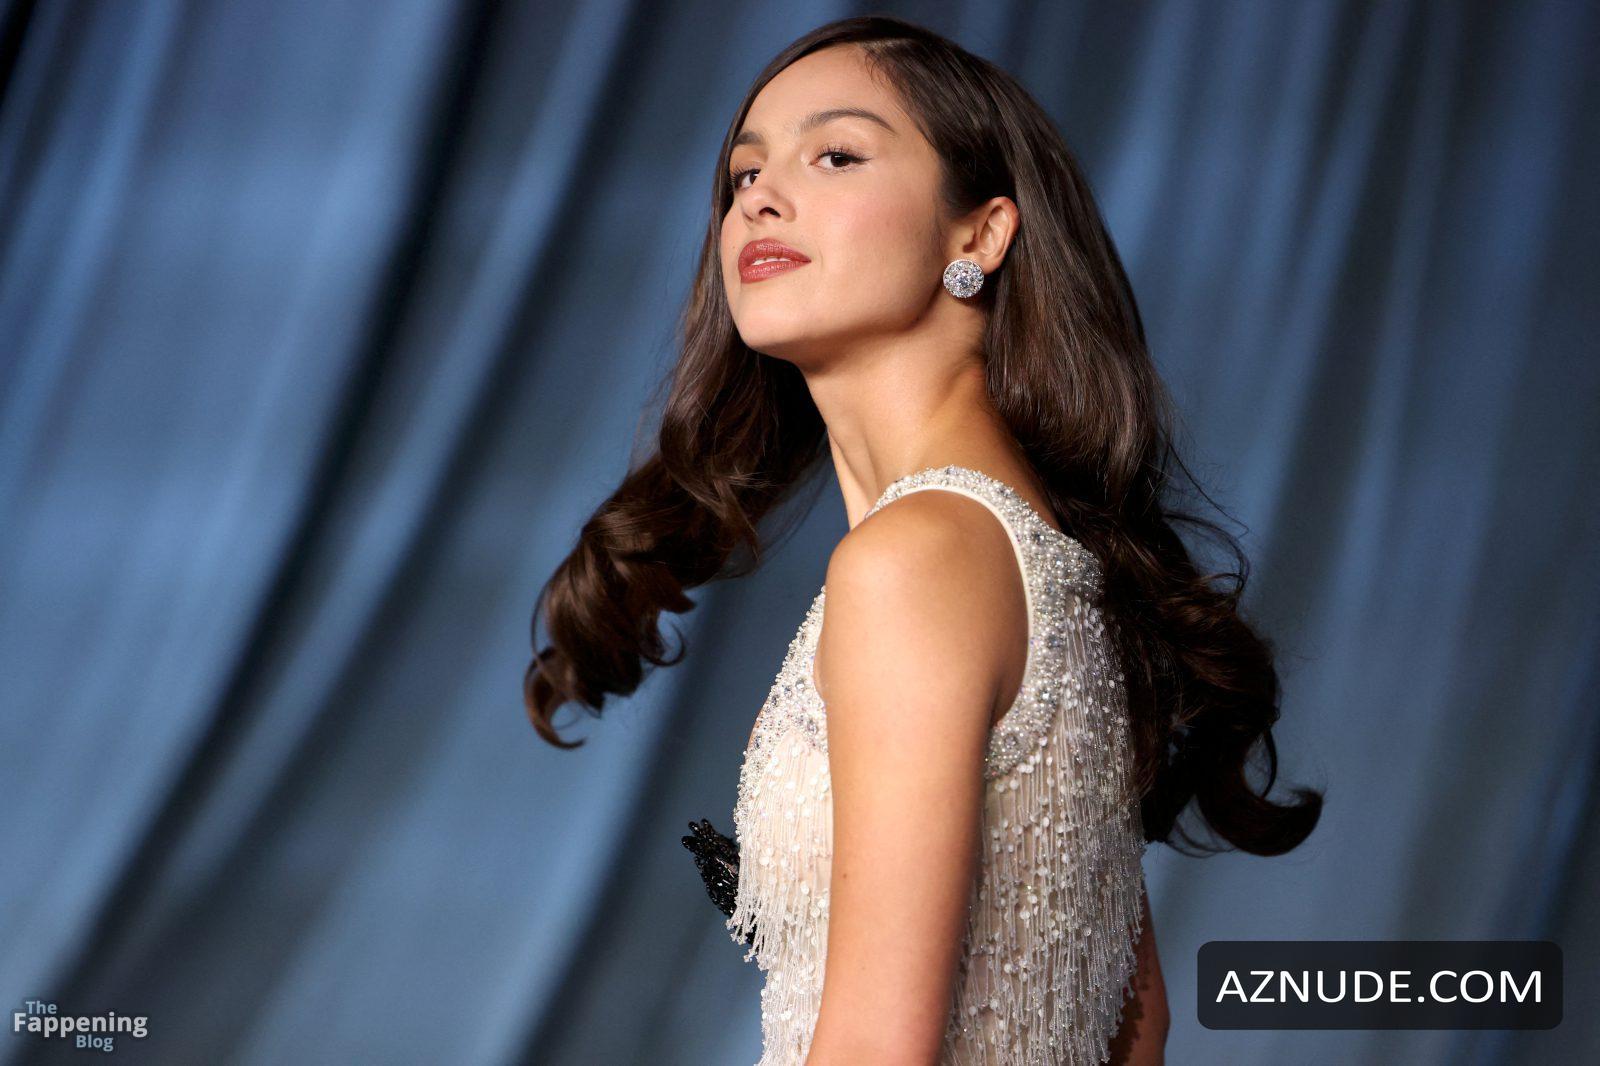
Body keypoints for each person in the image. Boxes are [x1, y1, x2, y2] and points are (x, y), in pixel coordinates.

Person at [528, 15, 1322, 1065]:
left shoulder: (915, 560)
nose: (759, 197)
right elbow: (1141, 1029)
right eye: (743, 174)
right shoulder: (1035, 558)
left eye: (836, 155)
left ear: (978, 236)